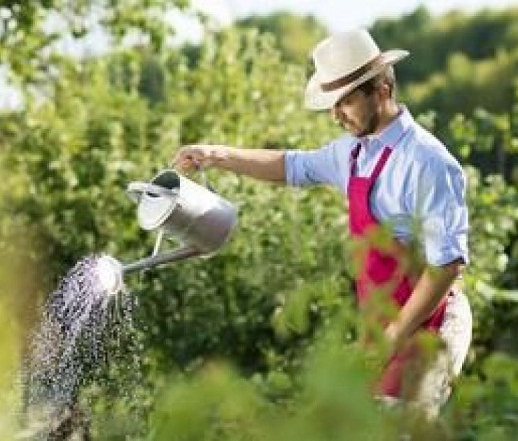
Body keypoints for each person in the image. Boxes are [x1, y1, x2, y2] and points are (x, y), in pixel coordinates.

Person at [173, 29, 472, 417]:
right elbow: (291, 165)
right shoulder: (353, 154)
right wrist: (215, 154)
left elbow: (446, 265)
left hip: (430, 323)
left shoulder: (427, 162)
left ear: (381, 90)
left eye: (345, 101)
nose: (335, 115)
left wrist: (392, 337)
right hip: (382, 329)